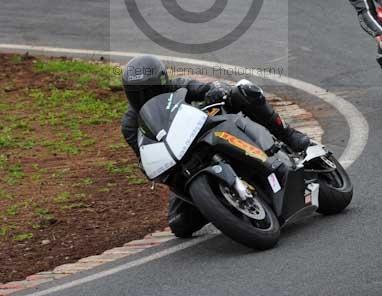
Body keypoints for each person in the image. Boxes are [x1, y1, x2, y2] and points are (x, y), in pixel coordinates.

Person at [121, 54, 310, 238]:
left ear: (163, 82)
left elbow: (205, 88)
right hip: (181, 164)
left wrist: (214, 90)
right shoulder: (130, 124)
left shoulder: (177, 86)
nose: (144, 97)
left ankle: (288, 135)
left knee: (243, 91)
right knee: (179, 224)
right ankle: (221, 202)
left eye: (150, 90)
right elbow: (144, 155)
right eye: (137, 93)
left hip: (205, 135)